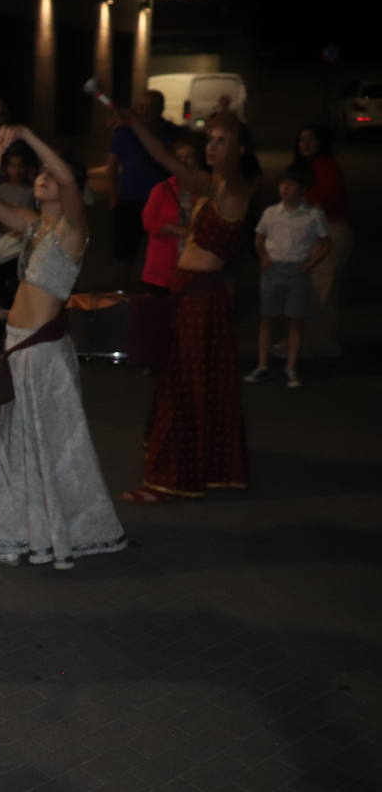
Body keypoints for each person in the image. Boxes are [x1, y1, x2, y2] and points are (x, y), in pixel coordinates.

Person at [0, 127, 127, 569]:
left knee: (52, 448)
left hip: (44, 355)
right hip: (20, 348)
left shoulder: (72, 229)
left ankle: (36, 536)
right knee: (20, 445)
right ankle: (13, 536)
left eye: (49, 174)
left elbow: (72, 181)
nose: (43, 177)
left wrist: (24, 133)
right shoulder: (34, 226)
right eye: (38, 172)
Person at [118, 113, 258, 503]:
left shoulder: (233, 189)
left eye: (222, 141)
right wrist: (136, 124)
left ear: (240, 150)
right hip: (190, 296)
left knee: (183, 388)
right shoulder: (212, 185)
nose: (211, 148)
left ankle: (171, 479)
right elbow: (165, 158)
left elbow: (181, 163)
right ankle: (199, 469)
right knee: (190, 386)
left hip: (202, 297)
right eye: (209, 140)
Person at [243, 166, 330, 388]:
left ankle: (290, 367)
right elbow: (259, 237)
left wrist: (310, 264)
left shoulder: (313, 215)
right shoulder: (271, 212)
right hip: (273, 269)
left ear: (302, 189)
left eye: (291, 185)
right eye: (283, 184)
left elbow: (325, 242)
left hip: (297, 271)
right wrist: (263, 257)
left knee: (295, 320)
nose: (285, 189)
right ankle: (262, 365)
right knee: (266, 319)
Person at [105, 90, 180, 283]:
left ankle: (156, 292)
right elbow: (111, 167)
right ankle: (119, 295)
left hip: (163, 203)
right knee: (124, 254)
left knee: (160, 251)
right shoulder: (124, 132)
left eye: (151, 107)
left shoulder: (172, 132)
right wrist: (114, 200)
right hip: (129, 201)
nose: (145, 112)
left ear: (161, 109)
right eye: (141, 107)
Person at [289, 125, 349, 359]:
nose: (306, 143)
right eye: (302, 139)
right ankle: (310, 342)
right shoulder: (307, 167)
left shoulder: (324, 166)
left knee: (321, 290)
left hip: (330, 231)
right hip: (317, 232)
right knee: (315, 289)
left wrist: (302, 198)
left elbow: (326, 198)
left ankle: (319, 344)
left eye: (312, 139)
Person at [140, 136, 201, 294]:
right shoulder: (162, 189)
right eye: (179, 157)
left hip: (194, 264)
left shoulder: (204, 191)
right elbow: (148, 221)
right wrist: (175, 230)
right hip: (163, 265)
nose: (184, 161)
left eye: (189, 156)